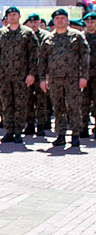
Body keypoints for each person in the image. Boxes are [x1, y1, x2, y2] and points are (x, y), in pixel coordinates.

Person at [38, 8, 90, 148]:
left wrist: (84, 76)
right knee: (58, 108)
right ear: (53, 21)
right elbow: (42, 60)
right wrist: (43, 79)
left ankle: (75, 135)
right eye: (57, 18)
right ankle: (60, 135)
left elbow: (85, 58)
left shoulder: (77, 36)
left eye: (62, 18)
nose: (60, 20)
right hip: (55, 80)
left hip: (73, 78)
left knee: (74, 107)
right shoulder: (48, 38)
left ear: (67, 20)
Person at [0, 7, 38, 144]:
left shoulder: (27, 33)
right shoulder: (1, 33)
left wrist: (31, 74)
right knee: (6, 104)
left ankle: (18, 133)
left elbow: (34, 55)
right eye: (9, 15)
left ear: (19, 16)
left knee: (20, 104)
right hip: (4, 75)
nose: (12, 17)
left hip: (21, 76)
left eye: (14, 14)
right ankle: (8, 131)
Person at [24, 14, 53, 136]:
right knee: (28, 100)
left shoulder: (45, 36)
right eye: (30, 22)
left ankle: (41, 124)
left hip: (41, 73)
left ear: (39, 22)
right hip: (27, 73)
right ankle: (30, 124)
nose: (32, 24)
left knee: (41, 100)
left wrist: (46, 74)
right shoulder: (25, 35)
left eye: (35, 22)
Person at [82, 12, 96, 137]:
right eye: (88, 22)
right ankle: (83, 127)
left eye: (92, 22)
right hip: (84, 76)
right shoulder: (80, 37)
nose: (90, 24)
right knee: (83, 102)